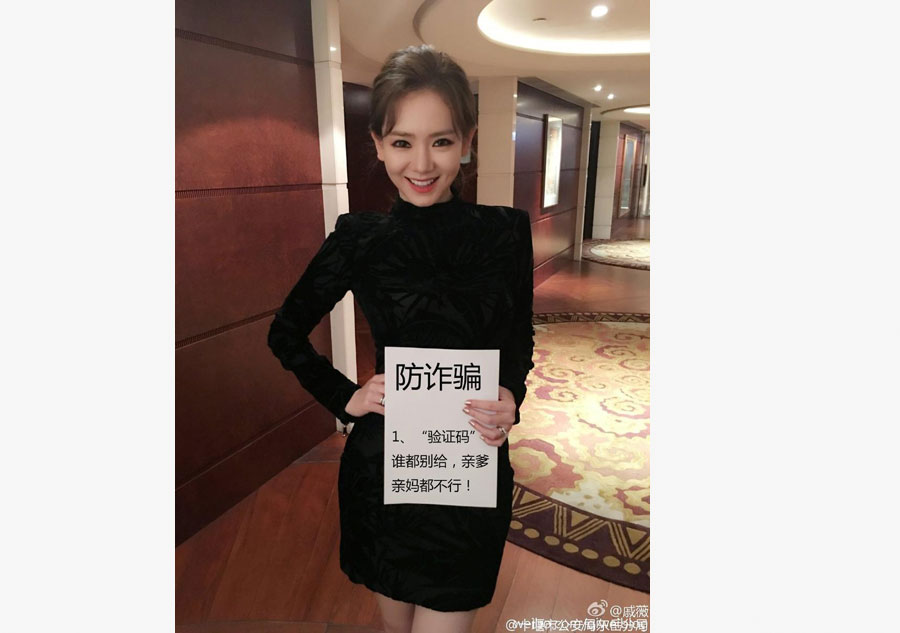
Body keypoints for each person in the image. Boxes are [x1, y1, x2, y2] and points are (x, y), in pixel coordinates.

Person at [267, 44, 535, 633]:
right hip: (384, 471)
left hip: (469, 464)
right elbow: (285, 332)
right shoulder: (359, 238)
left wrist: (511, 395)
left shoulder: (506, 233)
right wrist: (346, 396)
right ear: (378, 145)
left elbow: (518, 337)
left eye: (441, 141)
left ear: (467, 141)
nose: (422, 163)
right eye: (401, 142)